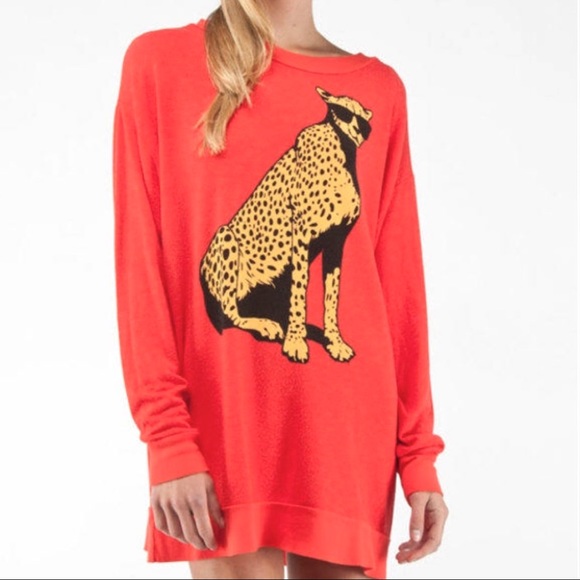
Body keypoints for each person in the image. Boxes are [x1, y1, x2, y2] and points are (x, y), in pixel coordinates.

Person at [112, 0, 448, 578]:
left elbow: (398, 291)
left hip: (346, 429)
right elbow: (141, 268)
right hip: (224, 424)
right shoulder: (160, 63)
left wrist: (418, 456)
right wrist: (167, 436)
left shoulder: (380, 89)